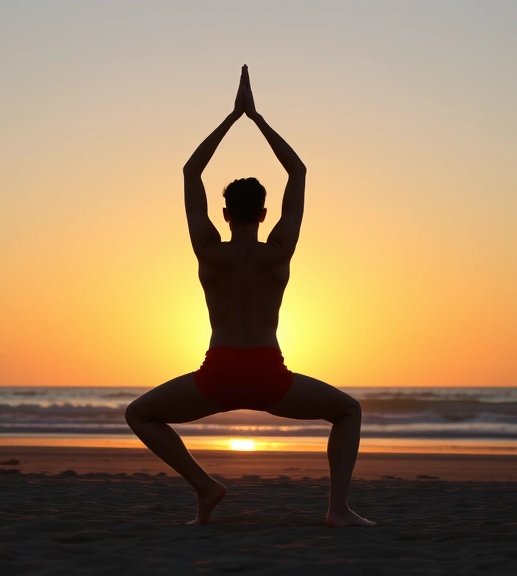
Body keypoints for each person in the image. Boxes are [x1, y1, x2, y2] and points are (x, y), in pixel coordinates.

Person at [125, 65, 374, 528]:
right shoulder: (277, 252)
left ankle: (205, 486)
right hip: (268, 375)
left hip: (218, 374)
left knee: (139, 414)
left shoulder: (209, 250)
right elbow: (297, 171)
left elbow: (191, 171)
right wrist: (257, 118)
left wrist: (231, 117)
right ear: (263, 213)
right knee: (348, 411)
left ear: (224, 213)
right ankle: (337, 510)